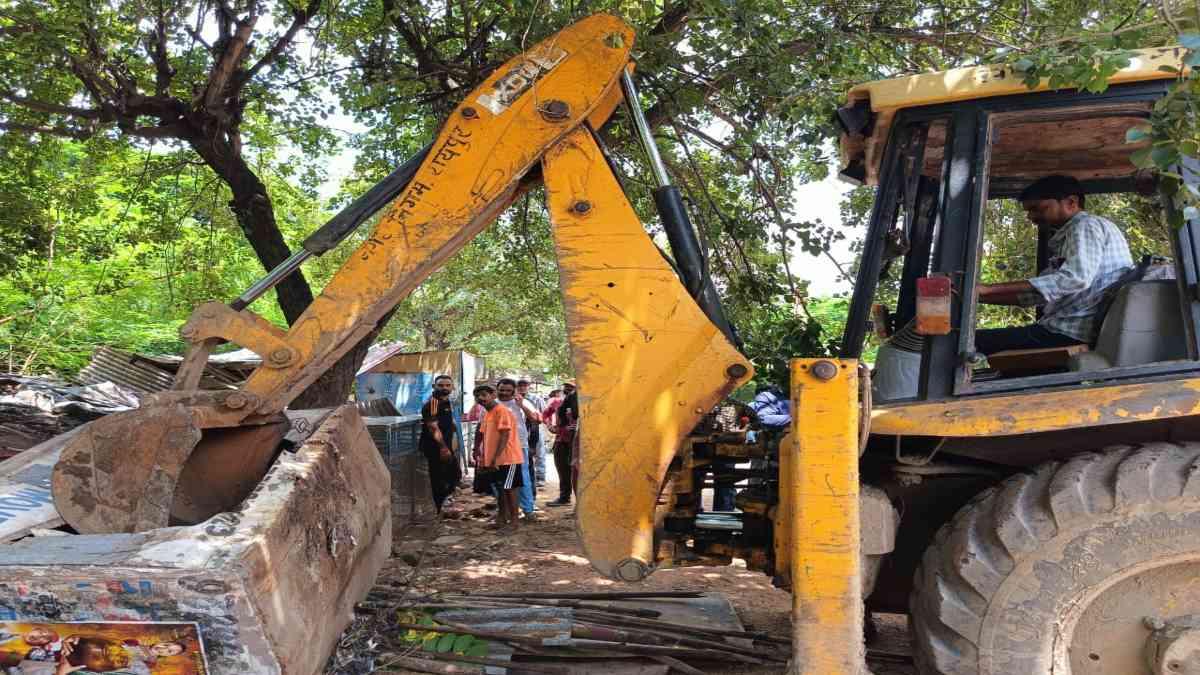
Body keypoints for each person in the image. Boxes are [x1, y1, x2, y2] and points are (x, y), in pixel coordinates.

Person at [975, 174, 1133, 355]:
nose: (1031, 217)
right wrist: (977, 298)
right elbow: (1037, 295)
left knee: (969, 341)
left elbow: (1075, 279)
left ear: (1071, 202)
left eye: (1038, 208)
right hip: (1066, 330)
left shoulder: (1085, 226)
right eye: (1028, 211)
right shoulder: (1073, 235)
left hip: (1070, 332)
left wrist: (988, 289)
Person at [474, 384, 524, 532]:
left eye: (484, 394)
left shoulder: (502, 411)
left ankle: (514, 522)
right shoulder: (487, 413)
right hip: (495, 460)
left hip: (508, 458)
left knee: (510, 489)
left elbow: (505, 434)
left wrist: (496, 457)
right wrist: (483, 457)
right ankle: (501, 519)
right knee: (501, 489)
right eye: (477, 396)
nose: (480, 398)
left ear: (493, 395)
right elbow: (484, 436)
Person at [496, 378, 541, 521]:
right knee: (500, 481)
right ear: (497, 389)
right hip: (497, 448)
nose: (504, 393)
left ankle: (528, 510)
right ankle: (506, 511)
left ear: (514, 391)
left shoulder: (522, 402)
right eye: (502, 390)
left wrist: (521, 405)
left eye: (508, 390)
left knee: (523, 479)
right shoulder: (492, 404)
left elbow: (537, 419)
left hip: (518, 446)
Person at [419, 374, 461, 512]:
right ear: (434, 387)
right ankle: (438, 509)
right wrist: (443, 448)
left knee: (453, 474)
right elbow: (433, 427)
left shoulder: (446, 401)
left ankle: (445, 501)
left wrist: (452, 425)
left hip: (446, 445)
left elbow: (444, 421)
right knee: (438, 477)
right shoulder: (433, 403)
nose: (444, 388)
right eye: (441, 385)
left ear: (452, 387)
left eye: (448, 385)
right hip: (435, 447)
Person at [546, 381, 577, 506]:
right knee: (562, 469)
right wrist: (550, 426)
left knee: (577, 472)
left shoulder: (584, 403)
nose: (568, 389)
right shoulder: (557, 402)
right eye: (566, 387)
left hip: (577, 442)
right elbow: (545, 414)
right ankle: (564, 497)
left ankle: (580, 503)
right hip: (561, 441)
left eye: (571, 387)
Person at [516, 380, 547, 487]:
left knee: (539, 451)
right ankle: (526, 478)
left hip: (536, 427)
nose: (522, 388)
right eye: (520, 386)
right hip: (521, 429)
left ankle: (540, 477)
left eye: (524, 385)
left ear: (528, 386)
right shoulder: (514, 399)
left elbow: (544, 414)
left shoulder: (537, 398)